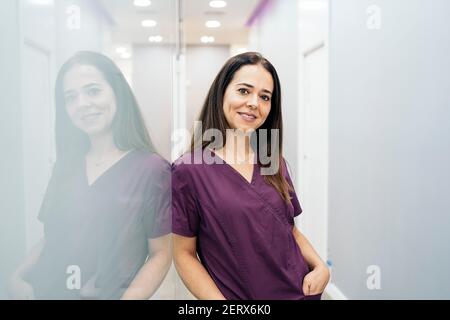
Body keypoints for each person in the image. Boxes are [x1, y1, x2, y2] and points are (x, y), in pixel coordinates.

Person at [8, 51, 172, 300]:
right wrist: (17, 279)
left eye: (93, 91)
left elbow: (161, 253)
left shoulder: (152, 170)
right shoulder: (66, 165)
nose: (82, 104)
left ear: (117, 92)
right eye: (70, 98)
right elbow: (52, 235)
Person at [172, 52, 330, 300]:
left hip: (301, 292)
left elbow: (289, 229)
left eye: (264, 97)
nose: (254, 103)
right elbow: (184, 254)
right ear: (222, 92)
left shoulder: (273, 163)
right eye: (244, 91)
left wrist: (321, 267)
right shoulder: (189, 170)